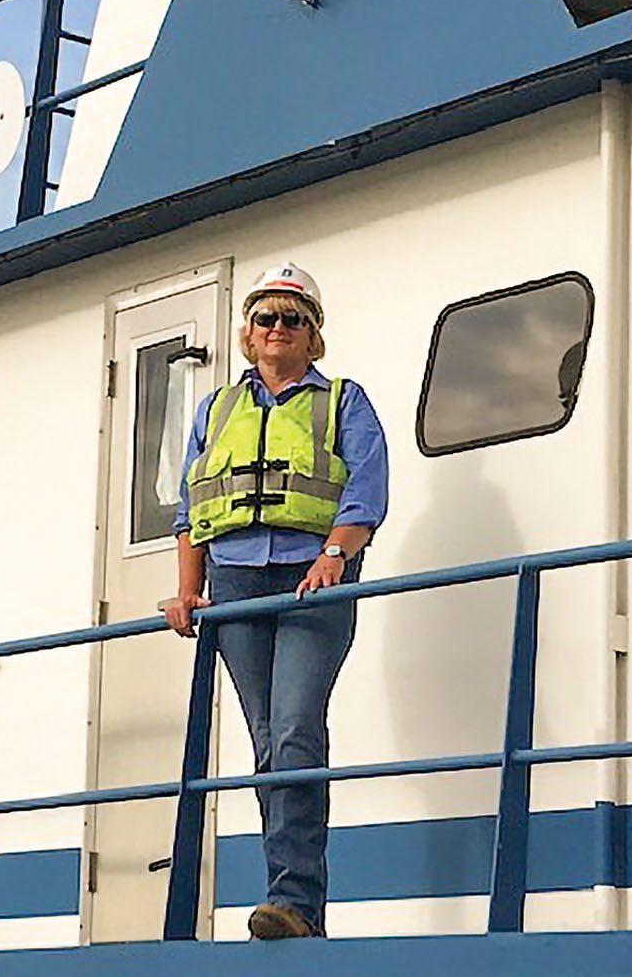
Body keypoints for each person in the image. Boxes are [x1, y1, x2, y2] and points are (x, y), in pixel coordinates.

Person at [168, 262, 388, 940]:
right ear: (248, 332)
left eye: (293, 318)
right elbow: (191, 507)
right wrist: (187, 589)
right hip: (235, 585)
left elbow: (367, 493)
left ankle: (296, 900)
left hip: (309, 580)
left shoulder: (344, 401)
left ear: (312, 335)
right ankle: (288, 902)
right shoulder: (215, 410)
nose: (278, 328)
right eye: (266, 317)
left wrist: (334, 555)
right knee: (267, 743)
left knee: (295, 731)